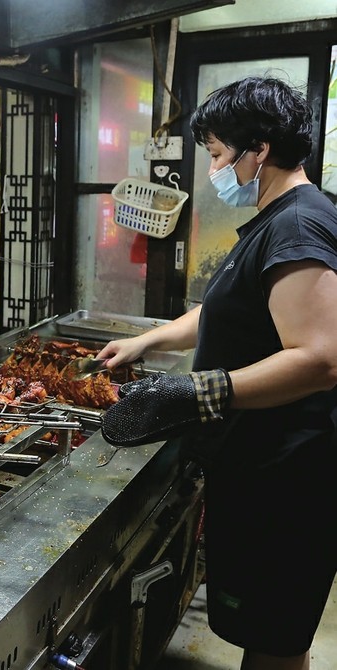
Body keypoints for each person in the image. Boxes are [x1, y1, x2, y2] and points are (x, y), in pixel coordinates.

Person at [99, 77, 337, 670]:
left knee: (275, 640)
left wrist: (200, 390)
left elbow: (321, 357)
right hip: (266, 463)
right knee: (273, 631)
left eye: (216, 153)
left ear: (258, 149)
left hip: (290, 476)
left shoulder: (296, 225)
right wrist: (145, 341)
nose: (213, 170)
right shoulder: (278, 217)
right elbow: (226, 310)